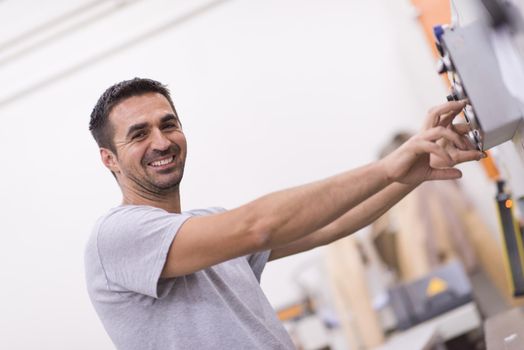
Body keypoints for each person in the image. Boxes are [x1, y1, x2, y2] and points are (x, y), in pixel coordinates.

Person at [84, 78, 484, 350]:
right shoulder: (116, 236)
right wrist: (386, 167)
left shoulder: (208, 227)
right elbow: (259, 227)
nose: (161, 141)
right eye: (139, 133)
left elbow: (329, 224)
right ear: (109, 159)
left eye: (168, 124)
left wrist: (409, 176)